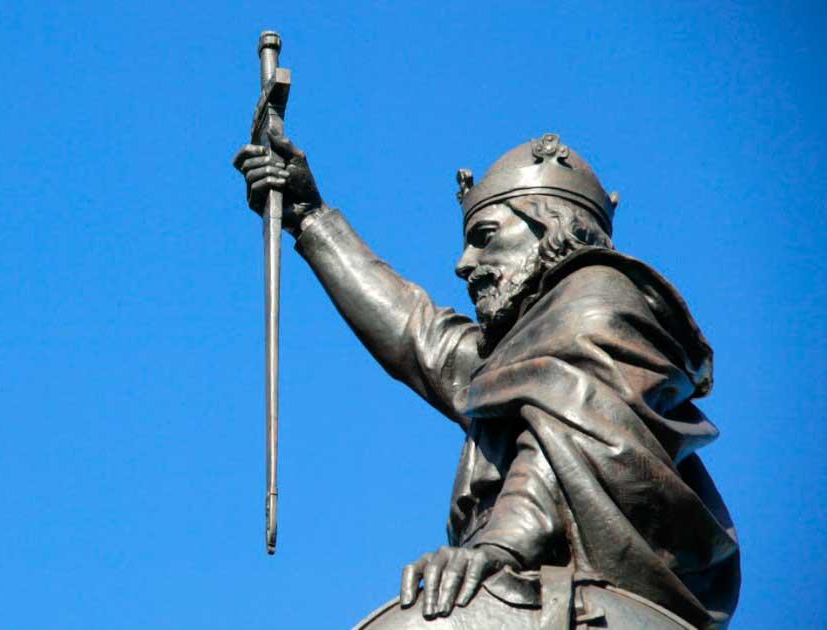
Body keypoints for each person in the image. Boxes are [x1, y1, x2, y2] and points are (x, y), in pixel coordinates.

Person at [232, 133, 740, 629]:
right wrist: (310, 218)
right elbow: (420, 337)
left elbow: (570, 429)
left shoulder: (596, 300)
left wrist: (503, 545)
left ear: (551, 226)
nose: (464, 265)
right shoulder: (527, 341)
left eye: (485, 238)